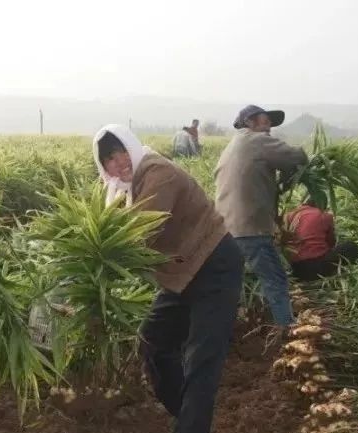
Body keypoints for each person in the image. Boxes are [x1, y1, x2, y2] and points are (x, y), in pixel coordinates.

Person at [93, 124, 243, 433]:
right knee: (153, 342)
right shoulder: (125, 189)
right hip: (181, 275)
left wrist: (98, 262)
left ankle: (191, 425)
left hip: (214, 266)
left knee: (203, 358)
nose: (119, 162)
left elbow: (139, 232)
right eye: (109, 159)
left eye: (121, 153)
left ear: (132, 148)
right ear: (102, 165)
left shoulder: (160, 174)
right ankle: (187, 416)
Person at [214, 105, 308, 327]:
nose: (268, 129)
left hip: (226, 228)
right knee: (275, 279)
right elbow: (294, 156)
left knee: (230, 284)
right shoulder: (255, 141)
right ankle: (287, 330)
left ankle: (226, 330)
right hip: (249, 229)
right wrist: (305, 159)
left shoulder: (233, 146)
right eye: (264, 123)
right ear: (249, 123)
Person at [285, 199, 358, 281]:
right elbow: (331, 243)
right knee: (350, 246)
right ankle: (347, 274)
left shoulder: (289, 215)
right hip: (316, 268)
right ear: (322, 206)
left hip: (296, 270)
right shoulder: (324, 215)